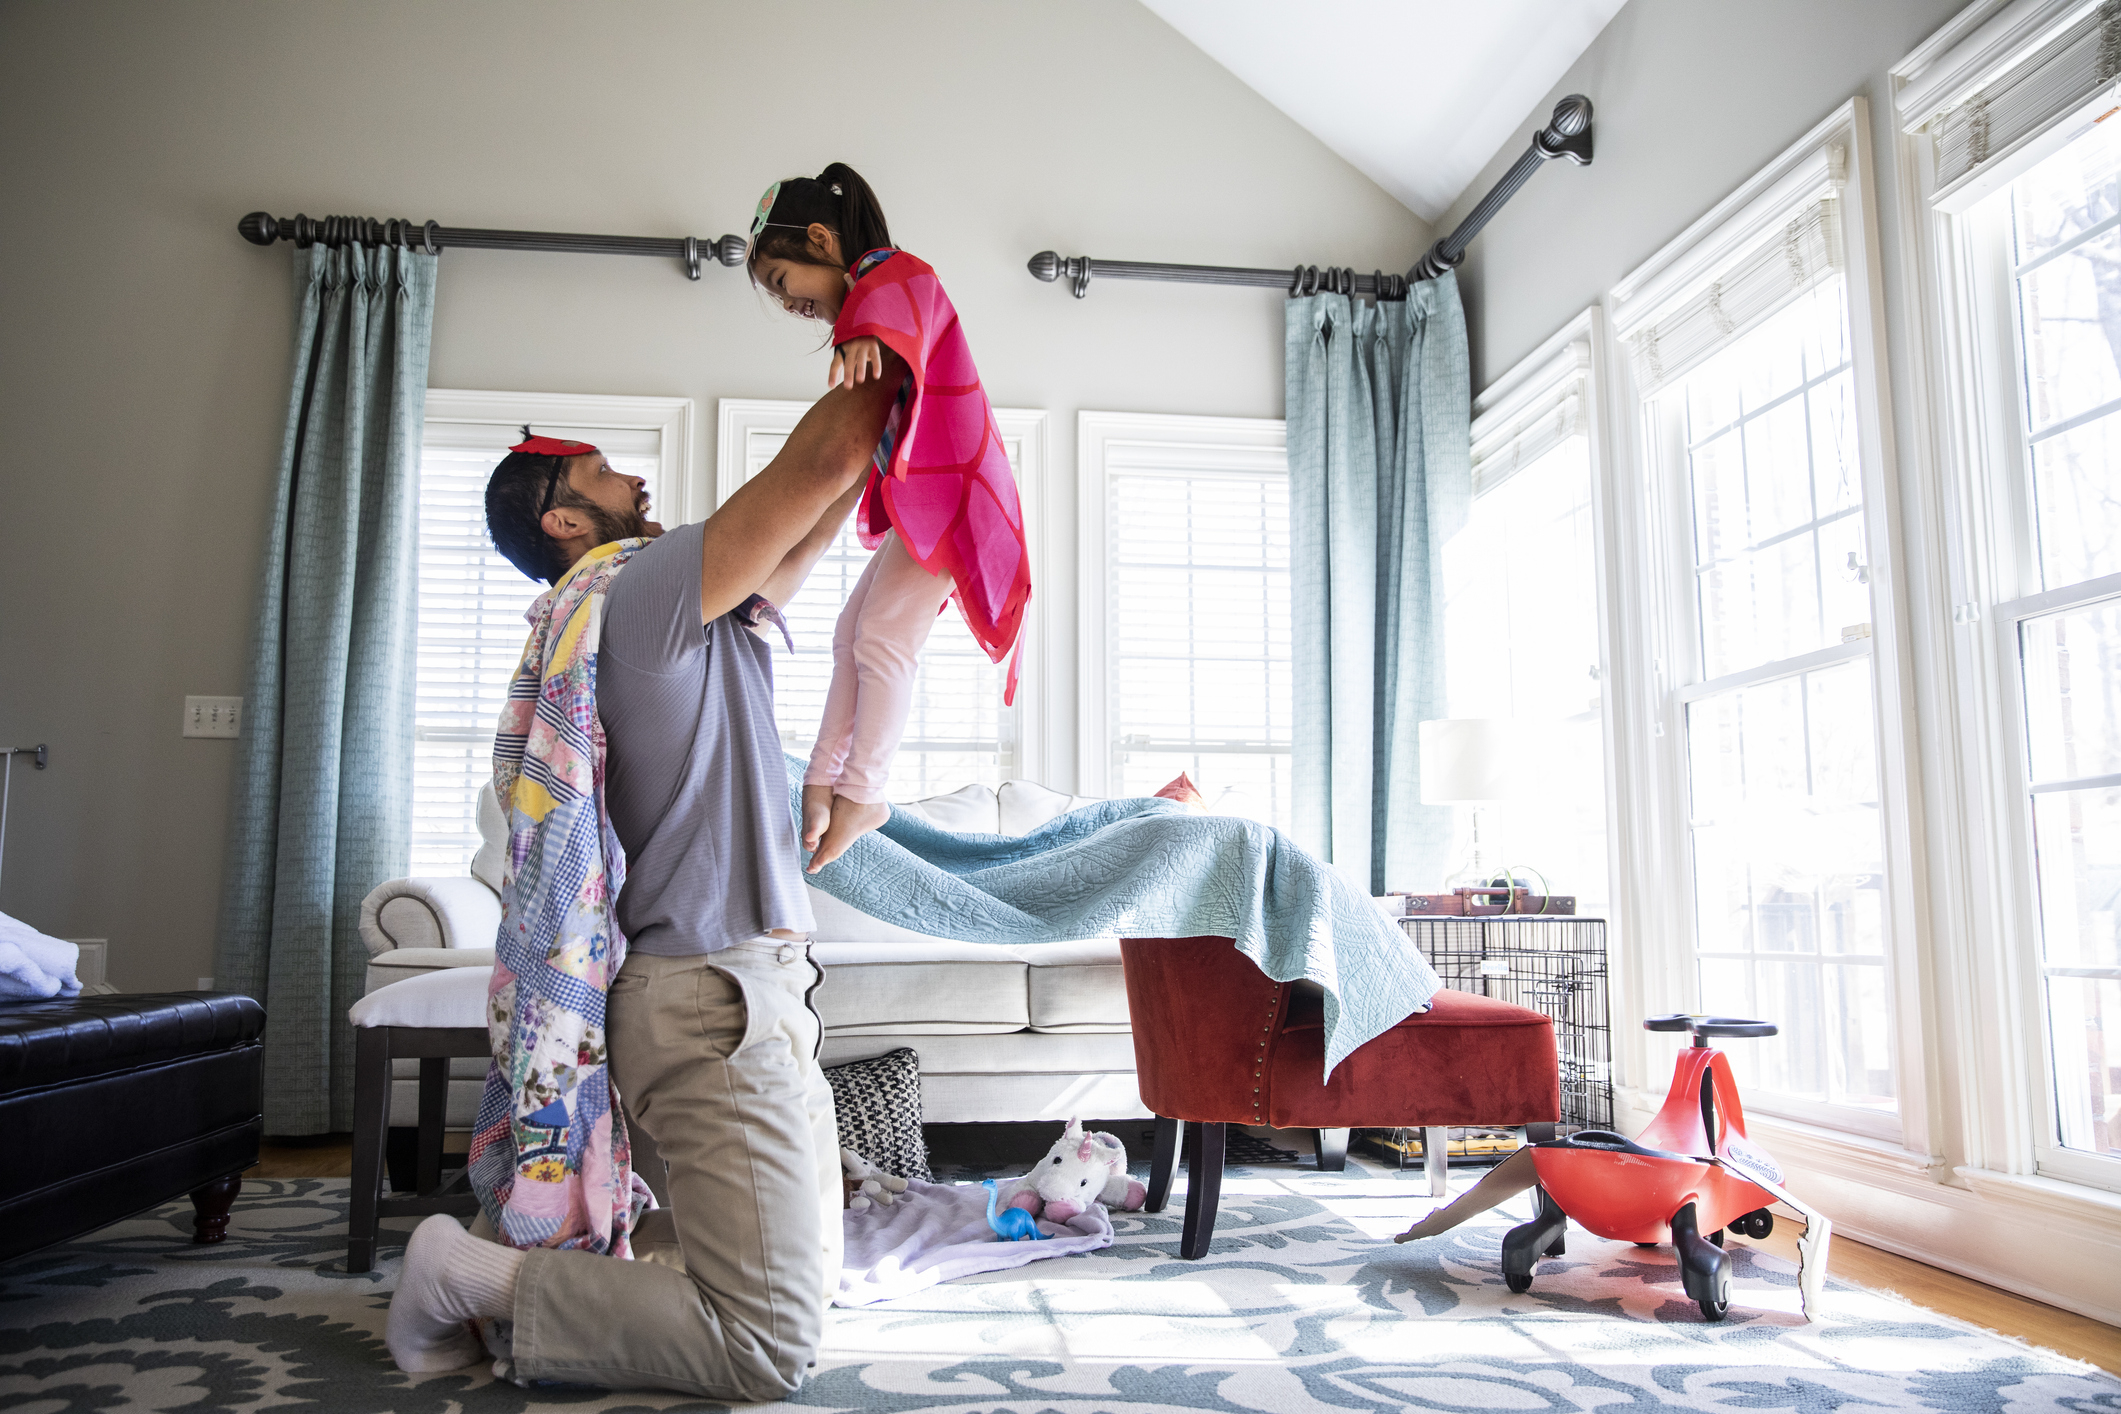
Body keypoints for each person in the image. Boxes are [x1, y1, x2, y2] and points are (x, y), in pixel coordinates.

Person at [382, 363, 901, 1399]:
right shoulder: (643, 590)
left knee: (800, 1271)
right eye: (607, 474)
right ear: (568, 519)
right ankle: (465, 1272)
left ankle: (548, 1275)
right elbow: (828, 456)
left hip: (744, 989)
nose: (637, 484)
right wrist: (889, 329)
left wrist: (894, 434)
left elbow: (810, 525)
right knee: (767, 1344)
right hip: (714, 1001)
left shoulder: (679, 613)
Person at [747, 163, 1032, 872]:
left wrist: (857, 329)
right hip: (930, 504)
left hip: (954, 500)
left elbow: (909, 284)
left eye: (785, 282)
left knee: (882, 641)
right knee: (853, 634)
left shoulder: (889, 276)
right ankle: (823, 780)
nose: (788, 305)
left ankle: (865, 792)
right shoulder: (876, 299)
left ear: (820, 239)